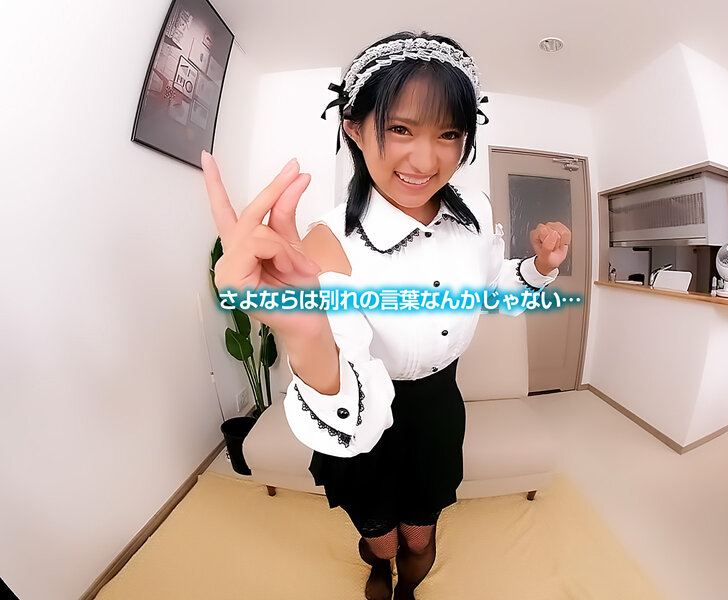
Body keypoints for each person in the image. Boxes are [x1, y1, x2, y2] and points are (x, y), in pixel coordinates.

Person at [202, 31, 570, 600]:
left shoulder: (476, 215)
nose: (426, 160)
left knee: (420, 537)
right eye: (400, 128)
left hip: (437, 406)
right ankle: (379, 566)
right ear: (354, 128)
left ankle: (407, 590)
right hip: (363, 407)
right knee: (382, 539)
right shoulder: (327, 243)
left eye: (449, 133)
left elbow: (492, 283)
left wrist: (539, 268)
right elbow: (339, 370)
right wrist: (303, 330)